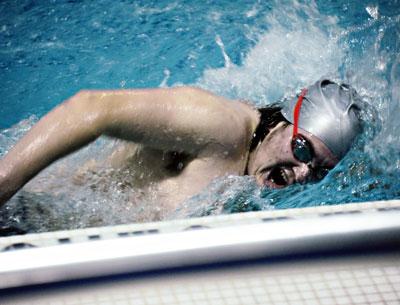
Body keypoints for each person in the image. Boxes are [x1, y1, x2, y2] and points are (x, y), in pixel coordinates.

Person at [0, 79, 362, 210]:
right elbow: (92, 108)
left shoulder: (255, 171)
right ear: (282, 121)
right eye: (302, 149)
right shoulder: (221, 127)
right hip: (32, 219)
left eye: (318, 171)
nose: (301, 173)